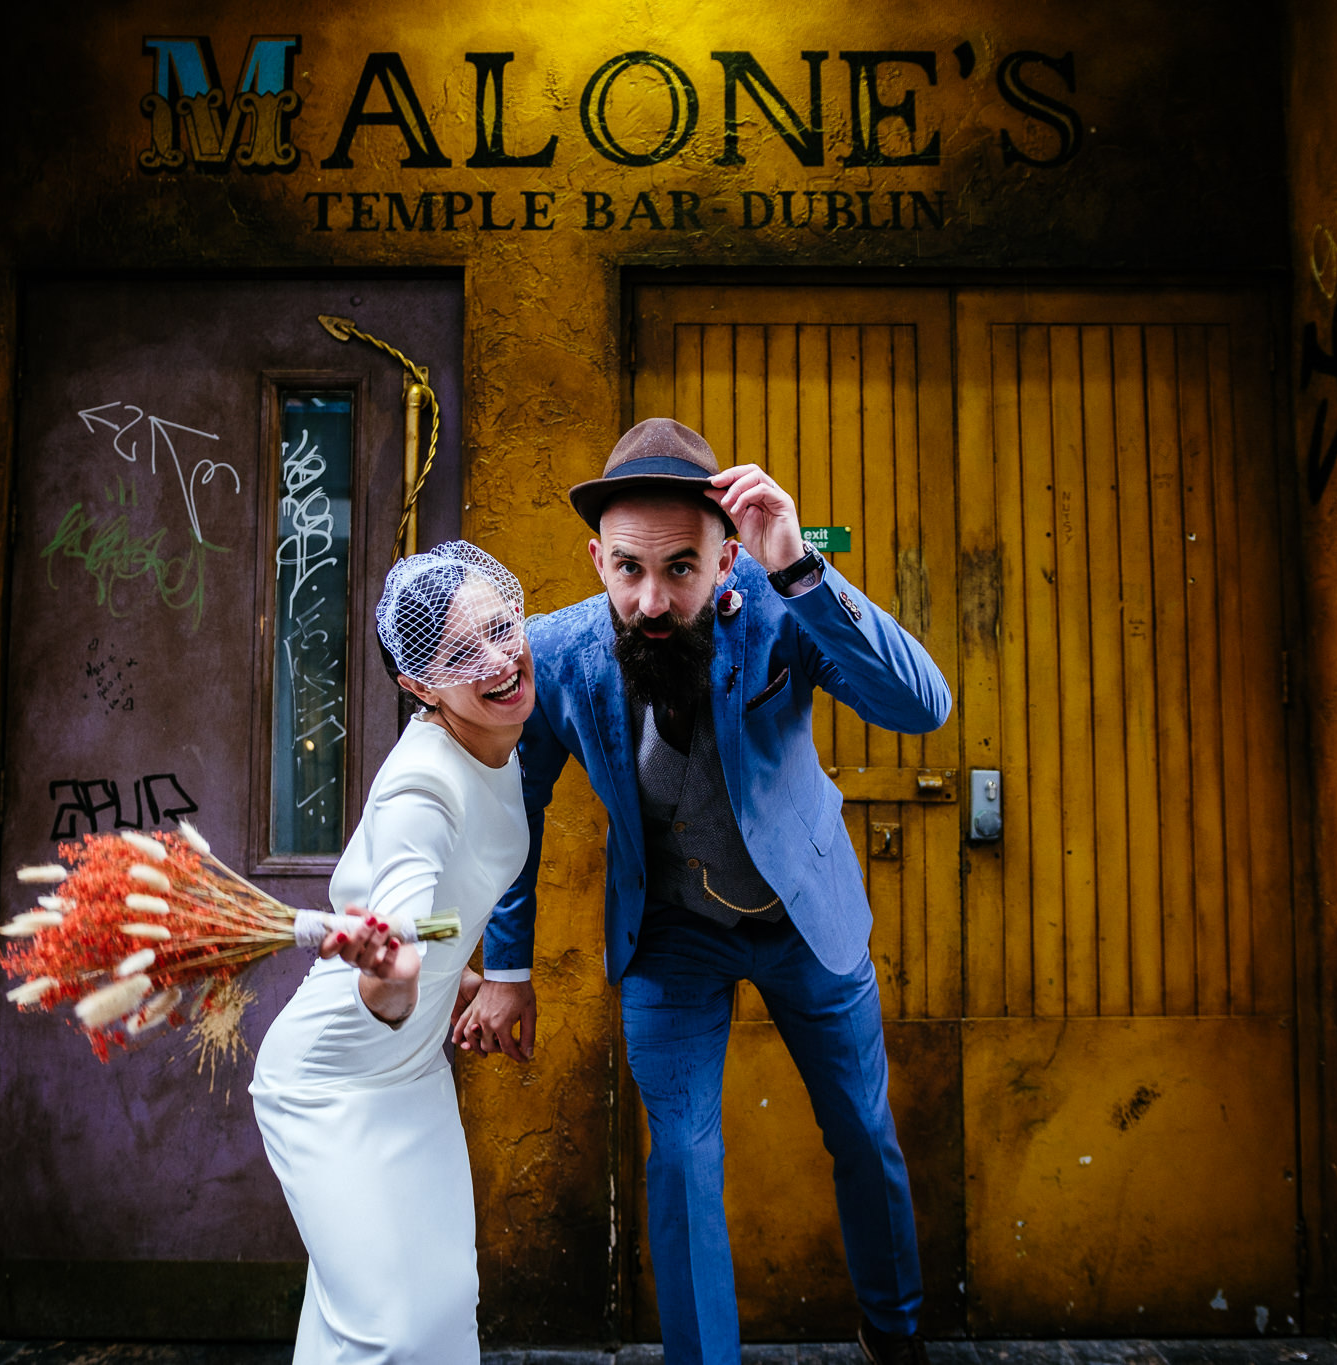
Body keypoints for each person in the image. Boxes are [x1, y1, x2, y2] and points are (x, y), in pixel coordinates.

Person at [453, 419, 952, 1365]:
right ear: (597, 559)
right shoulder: (560, 654)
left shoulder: (781, 607)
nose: (651, 598)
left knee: (862, 1129)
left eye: (681, 568)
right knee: (682, 1158)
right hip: (672, 933)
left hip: (805, 916)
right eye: (628, 568)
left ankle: (895, 1333)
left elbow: (921, 705)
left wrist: (798, 569)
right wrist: (506, 968)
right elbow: (516, 807)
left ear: (725, 557)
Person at [251, 541, 535, 1365]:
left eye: (502, 628)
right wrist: (399, 978)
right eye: (461, 655)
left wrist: (455, 971)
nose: (498, 660)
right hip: (330, 1082)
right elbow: (400, 937)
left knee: (442, 1308)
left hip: (411, 1076)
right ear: (419, 685)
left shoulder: (498, 731)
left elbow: (440, 917)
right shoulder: (422, 787)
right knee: (390, 1330)